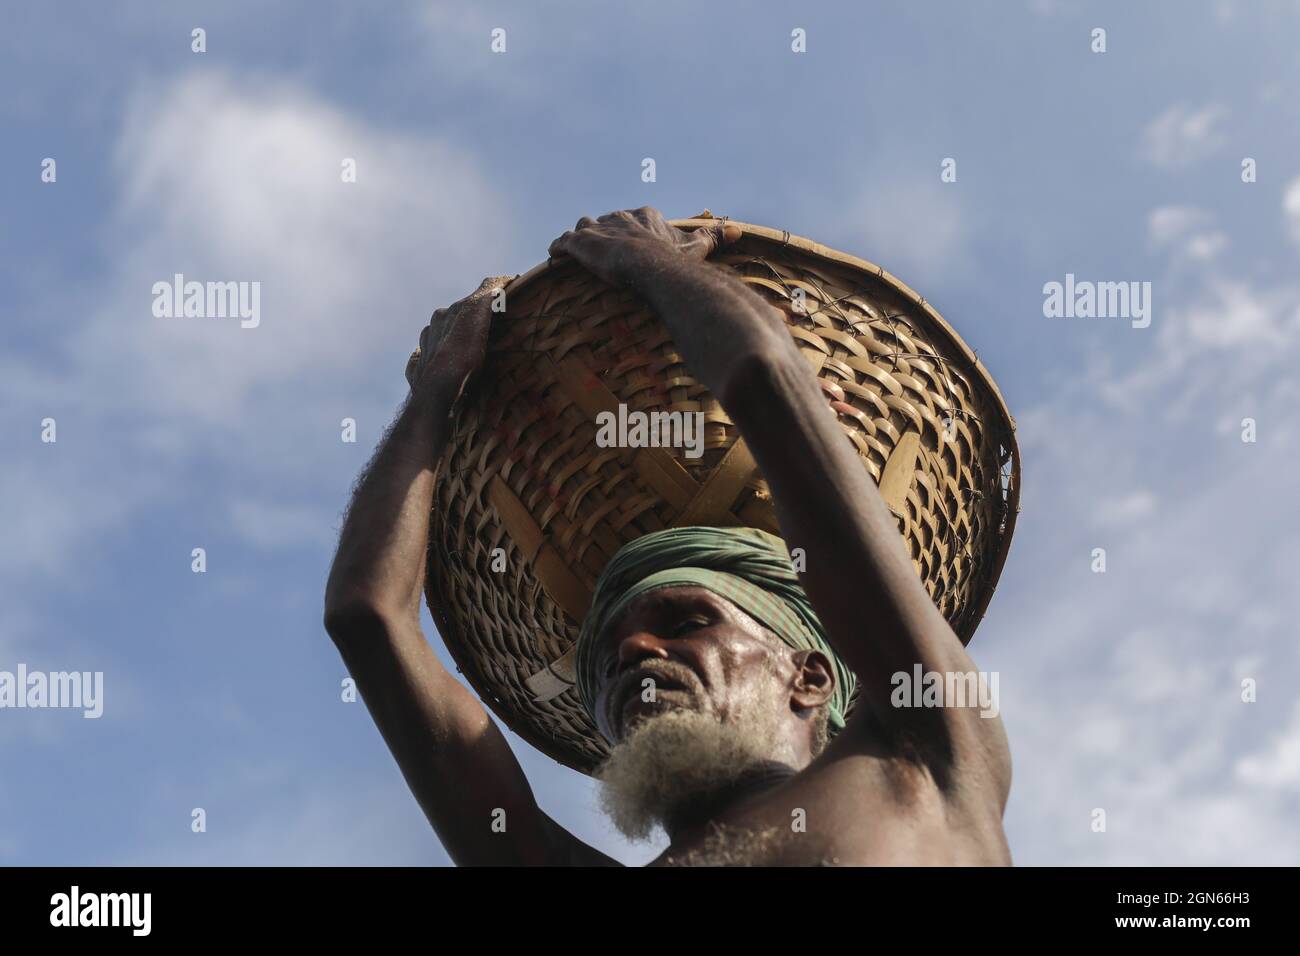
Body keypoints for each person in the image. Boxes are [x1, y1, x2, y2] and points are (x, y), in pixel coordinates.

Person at [323, 207, 1012, 866]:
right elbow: (367, 616)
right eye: (601, 662)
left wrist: (649, 267)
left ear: (810, 676)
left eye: (688, 620)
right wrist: (435, 392)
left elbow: (767, 382)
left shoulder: (926, 761)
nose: (633, 649)